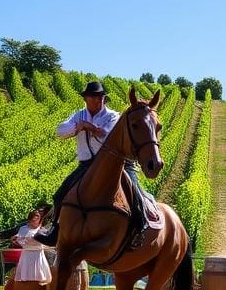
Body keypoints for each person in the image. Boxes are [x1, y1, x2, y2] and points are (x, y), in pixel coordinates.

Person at [36, 80, 147, 247]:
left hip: (115, 164)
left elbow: (108, 135)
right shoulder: (78, 115)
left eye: (101, 96)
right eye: (94, 96)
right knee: (60, 194)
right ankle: (55, 229)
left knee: (136, 193)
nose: (98, 99)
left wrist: (90, 127)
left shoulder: (113, 116)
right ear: (86, 98)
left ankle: (139, 230)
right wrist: (79, 126)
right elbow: (61, 131)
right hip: (87, 165)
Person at [14, 210, 53, 290]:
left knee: (39, 276)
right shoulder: (23, 229)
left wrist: (34, 240)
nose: (35, 220)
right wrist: (26, 240)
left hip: (38, 254)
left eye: (37, 218)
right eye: (33, 218)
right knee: (27, 276)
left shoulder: (42, 230)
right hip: (27, 255)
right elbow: (20, 240)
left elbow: (45, 242)